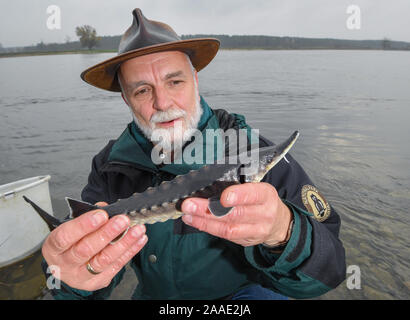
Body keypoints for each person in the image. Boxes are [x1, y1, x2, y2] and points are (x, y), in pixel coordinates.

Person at [41, 8, 346, 300]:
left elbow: (330, 271)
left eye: (174, 81)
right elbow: (85, 285)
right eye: (143, 90)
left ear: (195, 80)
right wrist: (71, 279)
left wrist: (284, 231)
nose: (162, 102)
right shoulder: (110, 166)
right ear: (126, 99)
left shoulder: (249, 148)